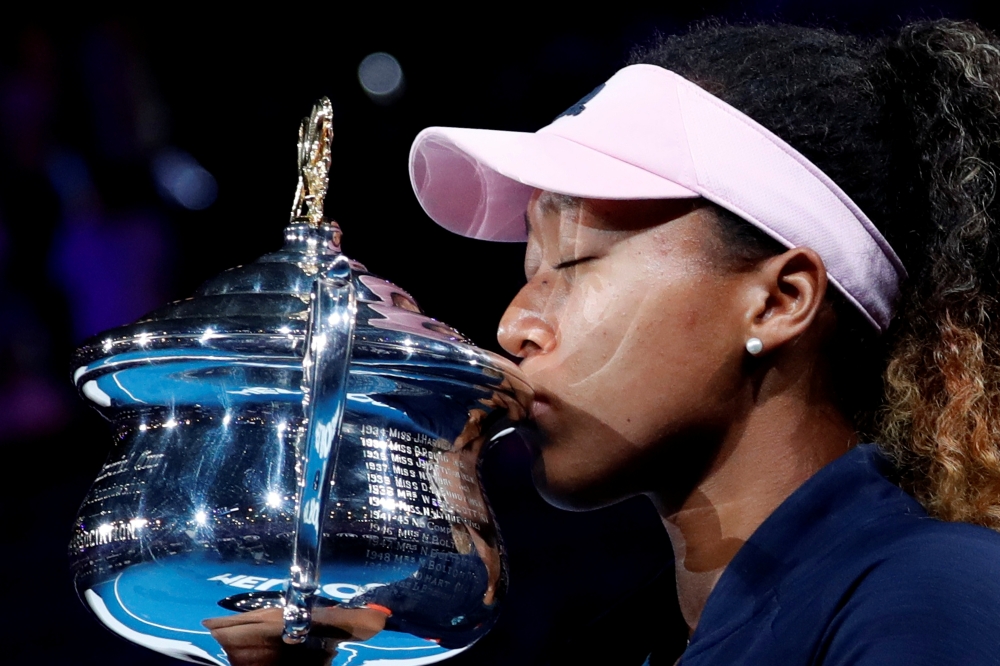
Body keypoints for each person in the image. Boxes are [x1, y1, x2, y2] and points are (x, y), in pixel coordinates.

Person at [407, 19, 1000, 665]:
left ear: (779, 301)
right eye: (530, 274)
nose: (514, 325)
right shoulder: (620, 645)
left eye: (573, 266)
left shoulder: (927, 595)